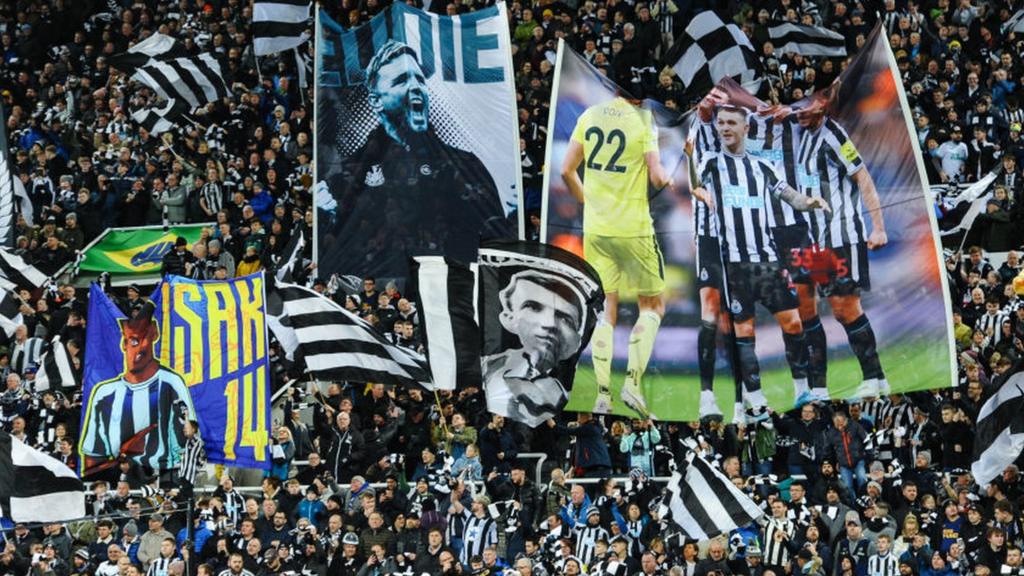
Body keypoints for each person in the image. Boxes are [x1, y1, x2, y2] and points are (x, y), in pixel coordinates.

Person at [320, 39, 511, 277]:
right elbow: (336, 242)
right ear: (376, 100)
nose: (415, 87)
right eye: (401, 80)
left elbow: (497, 237)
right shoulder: (350, 172)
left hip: (453, 285)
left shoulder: (465, 164)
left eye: (420, 79)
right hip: (380, 286)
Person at [691, 104, 831, 414]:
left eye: (731, 123)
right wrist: (699, 188)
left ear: (745, 129)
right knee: (744, 330)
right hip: (734, 265)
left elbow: (790, 196)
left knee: (793, 322)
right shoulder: (711, 161)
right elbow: (695, 180)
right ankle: (755, 397)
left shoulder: (761, 166)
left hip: (768, 261)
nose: (725, 127)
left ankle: (802, 390)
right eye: (721, 123)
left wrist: (811, 202)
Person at [560, 94, 674, 417]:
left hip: (596, 231)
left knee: (605, 310)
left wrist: (589, 204)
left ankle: (602, 394)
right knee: (652, 305)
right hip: (634, 229)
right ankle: (633, 384)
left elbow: (567, 171)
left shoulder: (590, 115)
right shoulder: (642, 120)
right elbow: (656, 175)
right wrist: (669, 176)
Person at [79, 301, 196, 473]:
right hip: (120, 477)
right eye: (133, 341)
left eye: (144, 340)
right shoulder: (104, 393)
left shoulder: (171, 383)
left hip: (163, 474)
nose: (139, 348)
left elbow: (190, 434)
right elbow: (93, 455)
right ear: (124, 344)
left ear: (154, 337)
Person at [481, 270, 585, 426]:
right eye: (534, 307)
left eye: (565, 318)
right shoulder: (486, 368)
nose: (549, 323)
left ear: (577, 341)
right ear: (509, 318)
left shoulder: (575, 391)